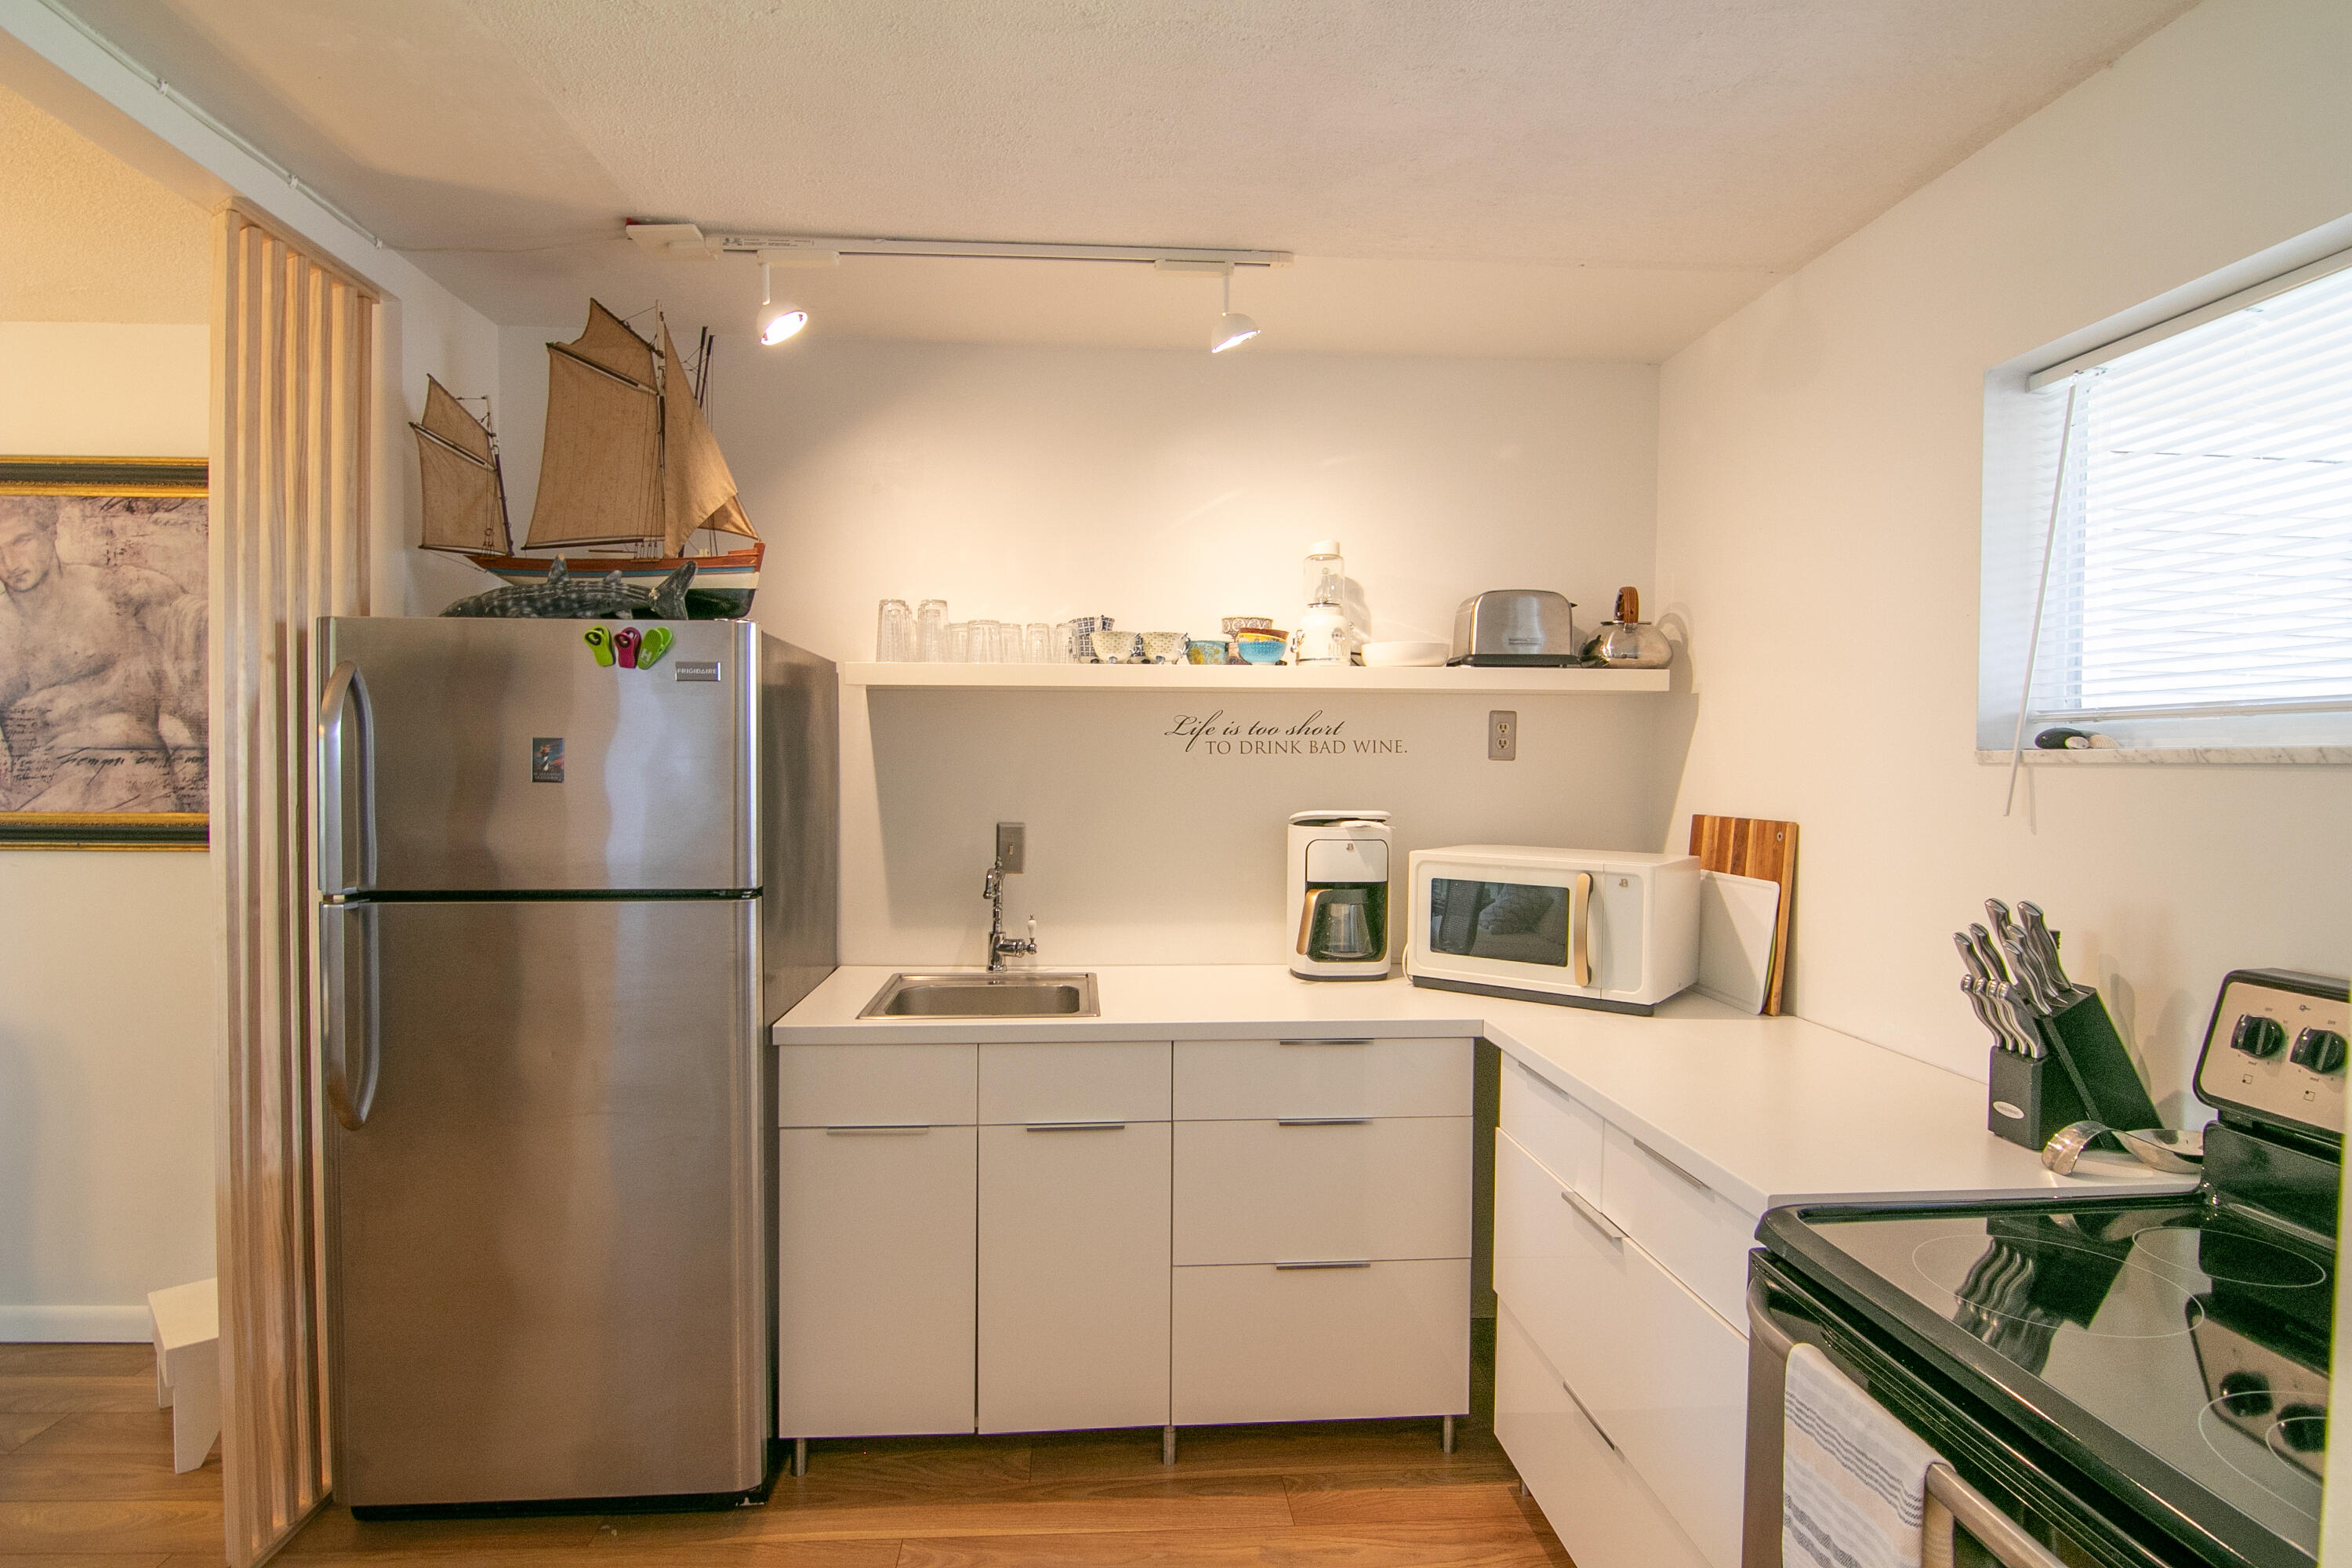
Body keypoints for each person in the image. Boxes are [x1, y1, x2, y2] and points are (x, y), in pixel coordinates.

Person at [0, 495, 206, 812]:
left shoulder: (116, 590)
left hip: (138, 792)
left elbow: (199, 631)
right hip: (45, 809)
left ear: (50, 531)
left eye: (22, 541)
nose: (10, 563)